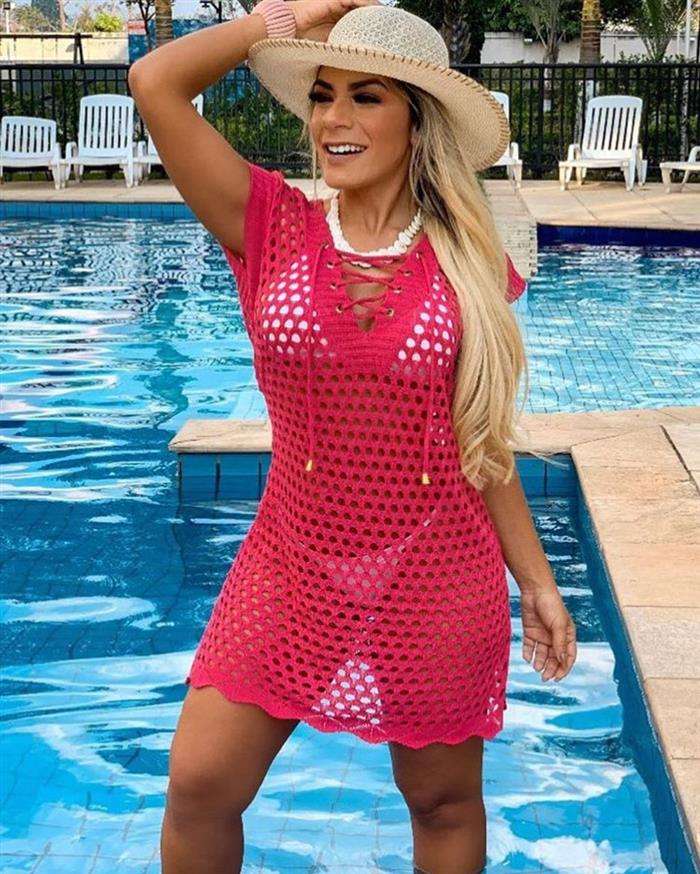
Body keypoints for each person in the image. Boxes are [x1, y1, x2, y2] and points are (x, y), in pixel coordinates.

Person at [129, 3, 578, 872]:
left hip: (437, 569)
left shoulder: (468, 263)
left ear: (417, 121)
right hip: (291, 558)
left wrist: (538, 582)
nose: (333, 119)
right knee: (199, 786)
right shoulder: (268, 222)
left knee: (443, 804)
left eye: (366, 97)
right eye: (322, 95)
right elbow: (155, 83)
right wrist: (280, 21)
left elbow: (482, 442)